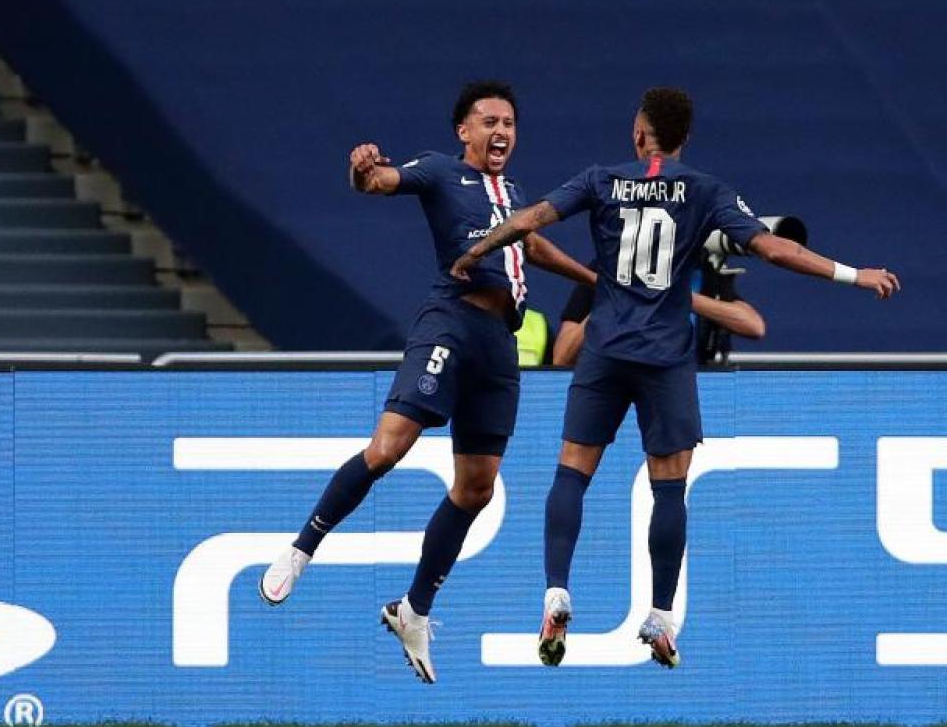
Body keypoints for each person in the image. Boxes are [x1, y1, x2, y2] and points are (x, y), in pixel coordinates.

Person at [450, 87, 899, 669]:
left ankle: (556, 590)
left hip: (605, 349)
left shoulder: (601, 179)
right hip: (665, 360)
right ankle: (660, 616)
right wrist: (853, 274)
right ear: (684, 139)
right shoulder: (705, 189)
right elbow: (774, 250)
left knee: (572, 472)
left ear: (640, 135)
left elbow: (532, 218)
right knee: (669, 487)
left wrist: (477, 249)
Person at [259, 80, 593, 684]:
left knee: (476, 489)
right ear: (464, 131)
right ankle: (303, 546)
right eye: (488, 122)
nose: (501, 132)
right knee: (388, 448)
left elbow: (533, 244)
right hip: (453, 320)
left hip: (501, 345)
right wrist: (364, 171)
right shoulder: (442, 172)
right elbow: (383, 182)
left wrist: (592, 279)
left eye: (510, 123)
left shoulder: (512, 192)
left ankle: (412, 610)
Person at [552, 255, 766, 367]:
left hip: (685, 390)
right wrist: (615, 298)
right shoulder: (608, 267)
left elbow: (753, 325)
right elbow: (562, 356)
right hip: (617, 389)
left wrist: (676, 295)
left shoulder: (702, 272)